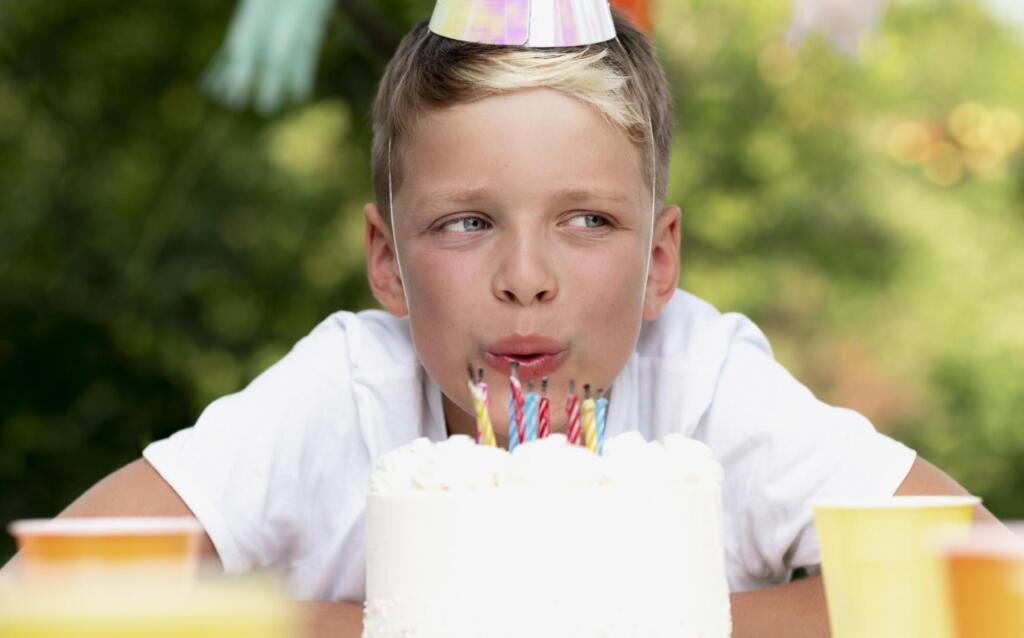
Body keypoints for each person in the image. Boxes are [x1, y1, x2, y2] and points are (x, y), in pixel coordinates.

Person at [0, 8, 998, 638]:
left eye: (588, 220)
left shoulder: (701, 377)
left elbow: (978, 580)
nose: (526, 278)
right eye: (466, 222)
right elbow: (41, 595)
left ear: (659, 259)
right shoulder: (345, 389)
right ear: (387, 257)